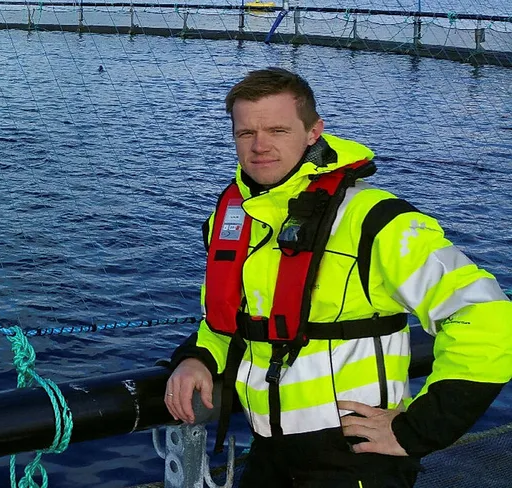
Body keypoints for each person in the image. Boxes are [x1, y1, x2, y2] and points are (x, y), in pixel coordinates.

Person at [163, 67, 512, 487]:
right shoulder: (236, 219)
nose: (260, 146)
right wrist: (195, 358)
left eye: (278, 130)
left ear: (314, 132)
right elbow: (229, 321)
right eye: (245, 133)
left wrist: (420, 428)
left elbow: (489, 317)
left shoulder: (375, 220)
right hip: (269, 454)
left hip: (356, 459)